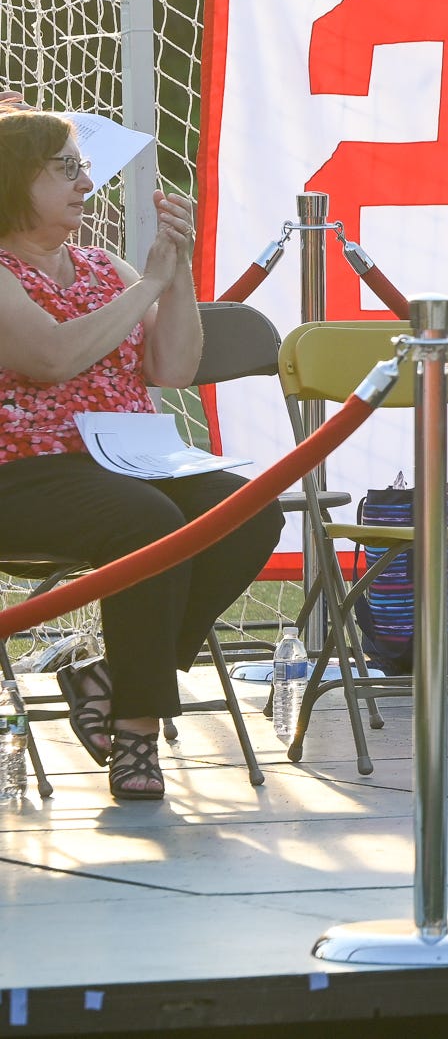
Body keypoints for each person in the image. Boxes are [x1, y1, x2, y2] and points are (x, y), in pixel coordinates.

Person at [0, 113, 278, 801]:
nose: (86, 180)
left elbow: (176, 367)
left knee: (247, 513)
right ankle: (136, 732)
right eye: (65, 167)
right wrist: (147, 287)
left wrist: (173, 271)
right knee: (149, 521)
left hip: (126, 461)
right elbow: (53, 355)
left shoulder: (102, 266)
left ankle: (110, 676)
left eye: (83, 165)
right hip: (24, 476)